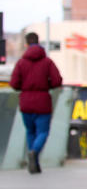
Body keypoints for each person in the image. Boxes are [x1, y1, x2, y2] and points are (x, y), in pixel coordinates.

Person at [10, 32, 63, 174]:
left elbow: (14, 84)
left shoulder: (21, 63)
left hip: (26, 102)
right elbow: (57, 80)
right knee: (43, 132)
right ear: (38, 42)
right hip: (42, 102)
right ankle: (34, 152)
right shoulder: (47, 62)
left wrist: (25, 87)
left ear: (26, 44)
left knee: (30, 131)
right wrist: (47, 85)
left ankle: (34, 163)